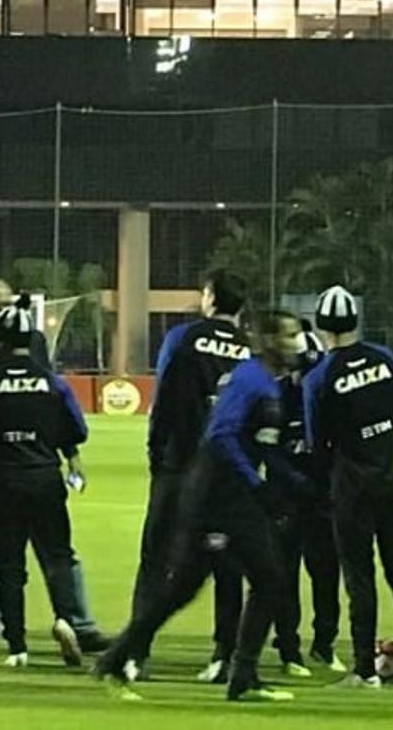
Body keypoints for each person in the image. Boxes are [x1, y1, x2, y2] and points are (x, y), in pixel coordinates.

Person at [94, 309, 307, 703]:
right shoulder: (248, 380)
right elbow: (221, 437)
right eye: (290, 335)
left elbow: (261, 445)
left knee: (195, 587)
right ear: (268, 341)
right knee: (265, 580)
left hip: (228, 494)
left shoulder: (267, 382)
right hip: (216, 495)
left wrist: (298, 485)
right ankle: (237, 675)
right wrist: (256, 484)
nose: (298, 343)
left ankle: (236, 674)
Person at [0, 280, 105, 655]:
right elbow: (61, 407)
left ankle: (65, 629)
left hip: (4, 473)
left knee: (23, 558)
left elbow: (46, 407)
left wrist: (69, 455)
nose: (1, 309)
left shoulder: (27, 352)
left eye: (5, 303)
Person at [303, 284, 393, 688]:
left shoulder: (319, 378)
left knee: (359, 574)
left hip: (352, 484)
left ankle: (363, 670)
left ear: (322, 325)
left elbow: (316, 444)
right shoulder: (385, 359)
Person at [130, 269, 251, 681]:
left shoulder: (182, 339)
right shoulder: (250, 350)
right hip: (228, 474)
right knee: (227, 564)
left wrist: (156, 453)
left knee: (155, 558)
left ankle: (135, 653)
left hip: (180, 465)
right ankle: (223, 656)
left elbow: (164, 400)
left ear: (211, 298)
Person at [0, 301, 89, 670]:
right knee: (57, 557)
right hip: (44, 480)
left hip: (2, 483)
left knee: (9, 567)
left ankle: (17, 646)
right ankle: (66, 619)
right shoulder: (51, 381)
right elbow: (77, 430)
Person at [270, 328, 344, 677]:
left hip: (323, 498)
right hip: (286, 499)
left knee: (326, 574)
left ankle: (324, 646)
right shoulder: (276, 396)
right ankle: (289, 650)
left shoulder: (326, 392)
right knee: (284, 576)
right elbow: (267, 450)